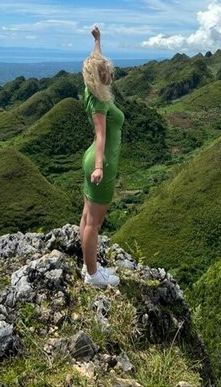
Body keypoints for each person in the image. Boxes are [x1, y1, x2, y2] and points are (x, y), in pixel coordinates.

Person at [79, 25, 125, 287]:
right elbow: (100, 136)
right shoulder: (98, 102)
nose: (109, 72)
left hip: (94, 162)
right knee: (94, 223)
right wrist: (99, 167)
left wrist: (98, 41)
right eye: (105, 71)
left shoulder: (91, 90)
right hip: (101, 164)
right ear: (98, 78)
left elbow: (94, 62)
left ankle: (89, 266)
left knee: (87, 216)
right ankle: (93, 275)